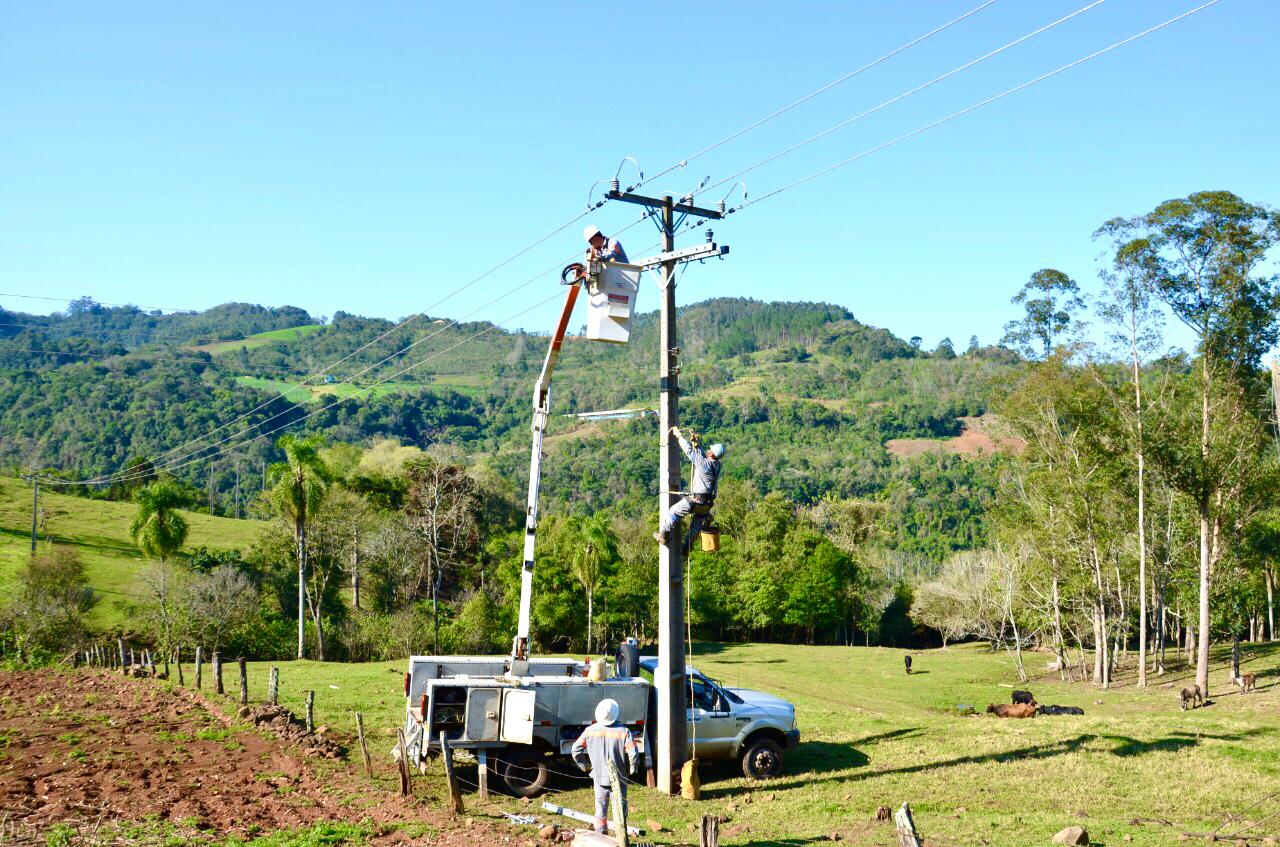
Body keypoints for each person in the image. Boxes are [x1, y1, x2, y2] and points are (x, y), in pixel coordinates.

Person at [571, 698, 642, 834]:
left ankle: (601, 835)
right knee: (620, 808)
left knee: (600, 808)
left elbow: (575, 750)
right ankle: (620, 836)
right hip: (619, 778)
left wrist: (585, 766)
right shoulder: (624, 731)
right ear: (615, 714)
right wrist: (632, 769)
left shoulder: (590, 731)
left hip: (599, 777)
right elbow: (633, 753)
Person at [655, 426, 724, 550]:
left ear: (712, 453)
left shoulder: (704, 464)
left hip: (696, 500)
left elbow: (689, 452)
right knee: (696, 524)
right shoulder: (717, 465)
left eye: (710, 449)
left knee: (673, 511)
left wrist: (679, 436)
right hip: (707, 503)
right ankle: (687, 546)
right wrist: (697, 444)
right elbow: (702, 456)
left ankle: (664, 534)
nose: (708, 450)